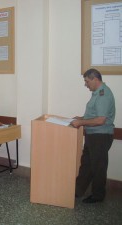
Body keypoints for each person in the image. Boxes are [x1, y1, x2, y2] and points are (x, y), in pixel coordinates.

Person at [71, 68, 115, 204]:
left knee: (98, 166)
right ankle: (77, 191)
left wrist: (81, 122)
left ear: (95, 79)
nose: (85, 84)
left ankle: (98, 196)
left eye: (87, 81)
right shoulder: (97, 93)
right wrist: (82, 118)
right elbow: (94, 116)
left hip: (100, 136)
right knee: (87, 164)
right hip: (94, 135)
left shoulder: (103, 94)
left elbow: (101, 120)